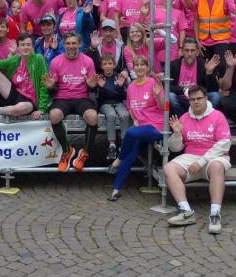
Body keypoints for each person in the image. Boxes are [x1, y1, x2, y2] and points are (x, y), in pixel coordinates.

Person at [165, 86, 232, 234]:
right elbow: (175, 149)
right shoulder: (184, 118)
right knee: (169, 168)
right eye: (192, 99)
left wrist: (201, 162)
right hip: (190, 157)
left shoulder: (218, 116)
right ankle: (185, 211)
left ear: (206, 99)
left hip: (215, 157)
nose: (196, 102)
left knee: (216, 167)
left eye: (199, 98)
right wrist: (176, 134)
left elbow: (224, 144)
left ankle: (215, 214)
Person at [106, 56, 164, 201]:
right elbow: (130, 107)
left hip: (155, 127)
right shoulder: (131, 86)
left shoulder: (154, 83)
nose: (139, 67)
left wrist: (158, 95)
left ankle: (118, 159)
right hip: (140, 128)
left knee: (130, 132)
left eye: (142, 65)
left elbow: (163, 107)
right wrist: (135, 119)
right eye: (136, 65)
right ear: (133, 68)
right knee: (130, 154)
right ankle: (116, 190)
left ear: (147, 67)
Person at [43, 32, 99, 172]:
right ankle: (67, 150)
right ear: (64, 45)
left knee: (93, 117)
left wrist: (92, 85)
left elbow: (92, 87)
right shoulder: (56, 61)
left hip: (82, 97)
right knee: (54, 115)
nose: (71, 46)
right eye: (68, 43)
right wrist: (51, 86)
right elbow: (53, 89)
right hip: (63, 98)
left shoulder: (88, 61)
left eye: (74, 43)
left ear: (80, 44)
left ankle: (84, 153)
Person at [169, 37, 221, 116]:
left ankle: (204, 119)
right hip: (182, 99)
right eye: (186, 50)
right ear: (182, 51)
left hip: (199, 99)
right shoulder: (174, 65)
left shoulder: (203, 64)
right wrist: (183, 90)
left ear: (197, 52)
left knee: (216, 96)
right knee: (170, 96)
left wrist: (209, 73)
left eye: (192, 50)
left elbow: (213, 89)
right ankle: (183, 119)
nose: (189, 54)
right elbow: (168, 86)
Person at [194, 0, 235, 68]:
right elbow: (196, 20)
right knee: (205, 71)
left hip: (222, 41)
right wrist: (197, 41)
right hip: (203, 42)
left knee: (221, 70)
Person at [96, 53, 130, 162]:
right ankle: (112, 145)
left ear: (114, 65)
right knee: (111, 115)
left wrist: (119, 86)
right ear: (101, 66)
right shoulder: (100, 77)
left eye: (110, 63)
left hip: (118, 102)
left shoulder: (118, 76)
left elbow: (123, 96)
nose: (107, 66)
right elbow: (100, 97)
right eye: (105, 64)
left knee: (125, 115)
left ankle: (124, 144)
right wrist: (103, 87)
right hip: (105, 103)